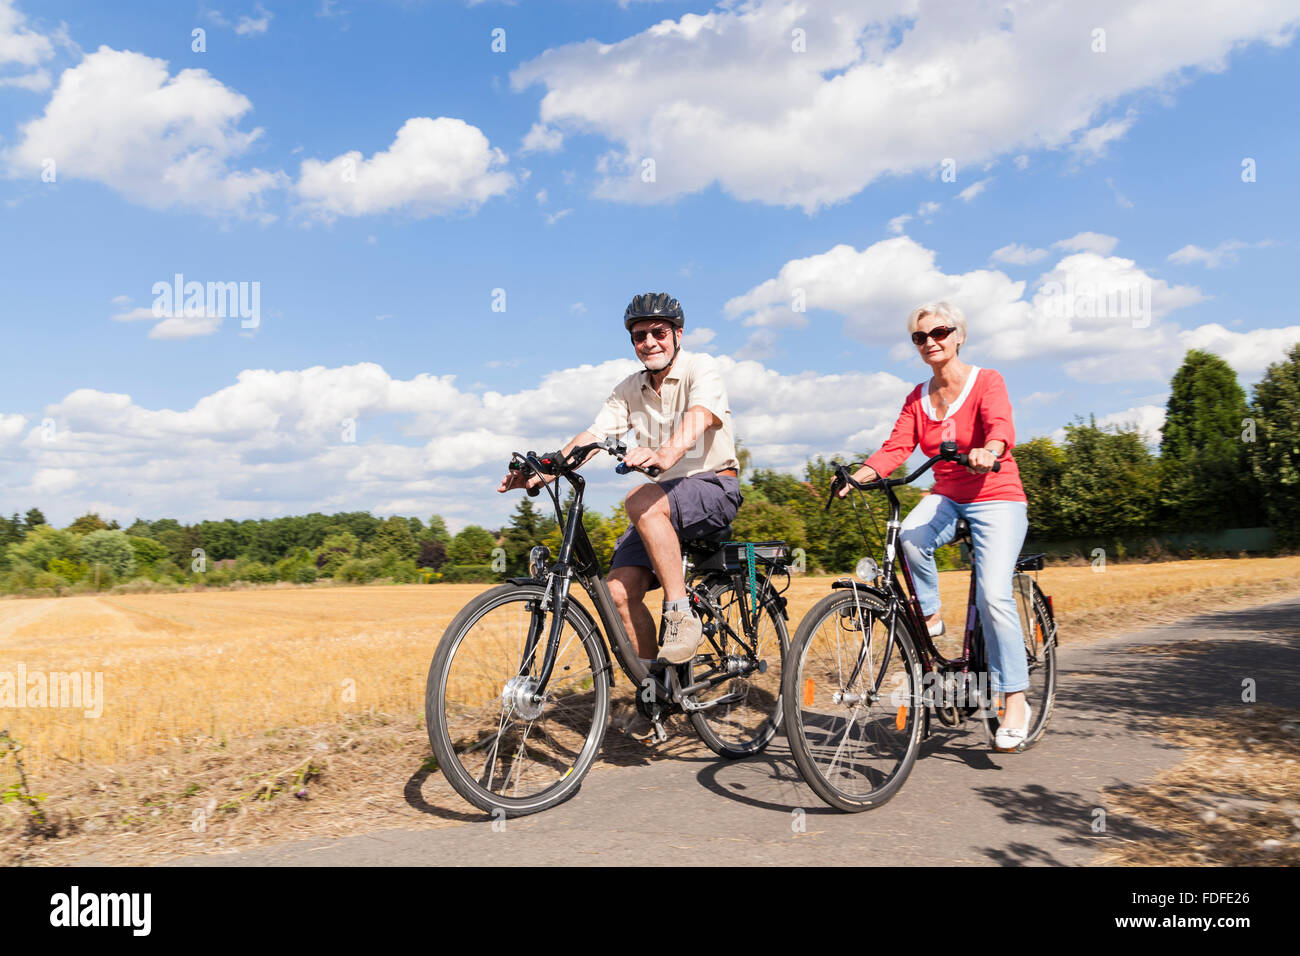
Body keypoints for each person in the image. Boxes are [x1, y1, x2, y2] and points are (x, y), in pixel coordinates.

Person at [498, 292, 741, 673]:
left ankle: (680, 615)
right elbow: (593, 435)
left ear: (678, 333)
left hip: (712, 486)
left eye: (658, 332)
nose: (648, 342)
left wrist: (664, 454)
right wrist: (541, 473)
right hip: (659, 505)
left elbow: (701, 416)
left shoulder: (701, 367)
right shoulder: (629, 388)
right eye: (639, 336)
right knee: (617, 594)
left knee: (639, 498)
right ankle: (655, 689)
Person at [841, 301, 1033, 752]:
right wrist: (859, 475)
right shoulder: (917, 396)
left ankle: (1015, 698)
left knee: (993, 595)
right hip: (947, 495)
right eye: (920, 337)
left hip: (997, 494)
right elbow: (896, 448)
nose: (931, 342)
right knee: (908, 535)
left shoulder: (987, 381)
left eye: (940, 332)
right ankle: (930, 615)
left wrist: (991, 449)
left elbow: (1001, 427)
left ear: (959, 335)